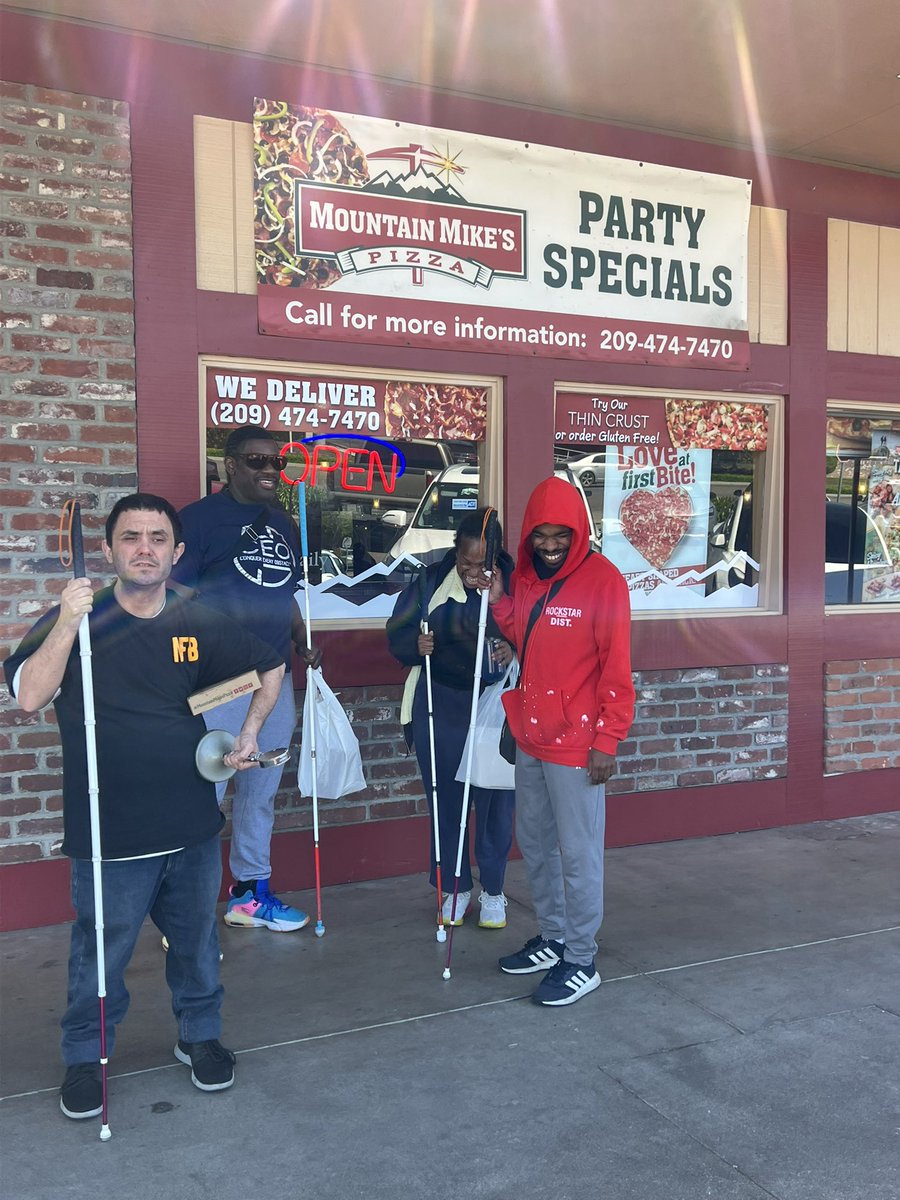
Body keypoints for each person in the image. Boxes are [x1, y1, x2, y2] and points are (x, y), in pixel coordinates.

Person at [3, 493, 286, 1119]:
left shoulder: (197, 616)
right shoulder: (75, 618)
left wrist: (247, 733)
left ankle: (199, 1038)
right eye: (131, 537)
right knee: (99, 954)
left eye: (158, 538)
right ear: (107, 551)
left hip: (189, 824)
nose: (145, 548)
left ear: (176, 552)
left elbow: (267, 667)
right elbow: (27, 696)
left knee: (196, 946)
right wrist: (70, 622)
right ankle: (86, 1057)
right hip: (110, 831)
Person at [484, 475, 634, 1006]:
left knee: (579, 852)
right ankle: (552, 937)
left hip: (578, 743)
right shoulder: (526, 579)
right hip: (531, 734)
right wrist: (502, 601)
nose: (550, 546)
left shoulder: (604, 581)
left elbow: (617, 669)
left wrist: (608, 740)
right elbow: (523, 637)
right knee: (538, 845)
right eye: (540, 536)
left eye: (560, 536)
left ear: (579, 532)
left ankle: (581, 957)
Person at [172, 425, 319, 933]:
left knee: (260, 792)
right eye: (256, 461)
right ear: (229, 464)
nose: (267, 470)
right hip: (218, 684)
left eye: (276, 463)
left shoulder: (280, 520)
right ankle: (187, 912)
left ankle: (249, 895)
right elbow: (173, 601)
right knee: (206, 795)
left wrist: (301, 639)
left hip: (274, 678)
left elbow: (285, 594)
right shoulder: (196, 521)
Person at [386, 509, 516, 929]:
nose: (472, 572)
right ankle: (454, 888)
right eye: (465, 562)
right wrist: (414, 642)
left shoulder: (514, 584)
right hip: (440, 704)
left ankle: (494, 892)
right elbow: (397, 631)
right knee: (446, 801)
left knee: (495, 801)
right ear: (454, 553)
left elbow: (536, 633)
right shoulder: (429, 582)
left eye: (482, 565)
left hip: (495, 707)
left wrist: (514, 650)